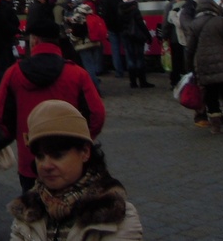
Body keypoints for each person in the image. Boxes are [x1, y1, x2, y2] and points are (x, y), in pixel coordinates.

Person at [0, 19, 106, 191]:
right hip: (70, 160)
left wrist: (21, 137)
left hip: (30, 157)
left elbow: (2, 116)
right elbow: (96, 114)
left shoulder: (13, 74)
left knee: (33, 212)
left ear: (34, 40)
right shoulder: (77, 73)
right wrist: (82, 139)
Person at [8, 100, 143, 240]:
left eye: (57, 155)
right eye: (40, 156)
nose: (45, 165)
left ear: (84, 152)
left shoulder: (116, 214)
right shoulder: (28, 210)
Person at [186, 0, 223, 135]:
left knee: (211, 96)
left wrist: (190, 66)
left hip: (204, 65)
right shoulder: (220, 21)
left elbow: (190, 48)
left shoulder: (195, 24)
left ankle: (215, 126)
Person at [99, 0, 130, 78]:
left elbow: (104, 15)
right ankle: (131, 69)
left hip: (111, 27)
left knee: (115, 50)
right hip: (123, 26)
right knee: (127, 48)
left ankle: (119, 71)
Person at [66, 4, 103, 91]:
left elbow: (76, 33)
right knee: (93, 66)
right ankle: (95, 84)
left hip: (84, 45)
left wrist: (71, 36)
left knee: (88, 67)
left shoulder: (78, 18)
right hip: (95, 43)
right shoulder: (93, 16)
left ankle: (95, 89)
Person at [161, 0, 190, 86]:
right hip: (189, 37)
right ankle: (189, 79)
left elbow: (166, 23)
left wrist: (164, 35)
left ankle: (175, 80)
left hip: (175, 37)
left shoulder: (171, 5)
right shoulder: (191, 4)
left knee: (176, 60)